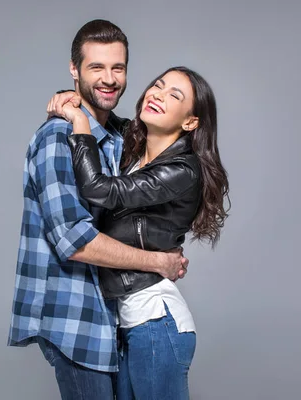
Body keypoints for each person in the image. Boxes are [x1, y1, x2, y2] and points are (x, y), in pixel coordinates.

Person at [7, 20, 189, 400]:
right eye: (96, 68)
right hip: (74, 317)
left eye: (117, 68)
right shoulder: (56, 139)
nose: (109, 79)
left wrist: (72, 102)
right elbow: (75, 241)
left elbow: (161, 137)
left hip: (112, 318)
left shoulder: (117, 139)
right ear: (74, 70)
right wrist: (158, 262)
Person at [48, 66, 230, 400]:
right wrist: (72, 97)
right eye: (158, 86)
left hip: (156, 324)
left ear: (190, 122)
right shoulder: (138, 155)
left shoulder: (181, 170)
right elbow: (111, 120)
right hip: (131, 325)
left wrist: (79, 123)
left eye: (174, 95)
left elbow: (98, 189)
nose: (158, 94)